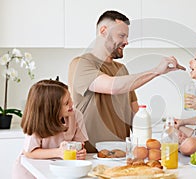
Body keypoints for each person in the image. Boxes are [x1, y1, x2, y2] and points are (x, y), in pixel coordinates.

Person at [68, 10, 185, 152]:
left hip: (121, 154)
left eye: (127, 37)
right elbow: (112, 86)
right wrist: (155, 71)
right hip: (89, 154)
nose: (126, 42)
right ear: (103, 31)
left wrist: (167, 135)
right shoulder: (81, 64)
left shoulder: (121, 70)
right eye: (121, 35)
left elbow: (135, 113)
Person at [12, 80, 88, 179]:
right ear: (52, 107)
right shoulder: (38, 121)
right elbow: (29, 152)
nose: (71, 104)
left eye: (70, 99)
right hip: (30, 171)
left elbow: (79, 144)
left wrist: (80, 153)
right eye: (66, 103)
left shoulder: (75, 115)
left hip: (59, 170)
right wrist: (59, 152)